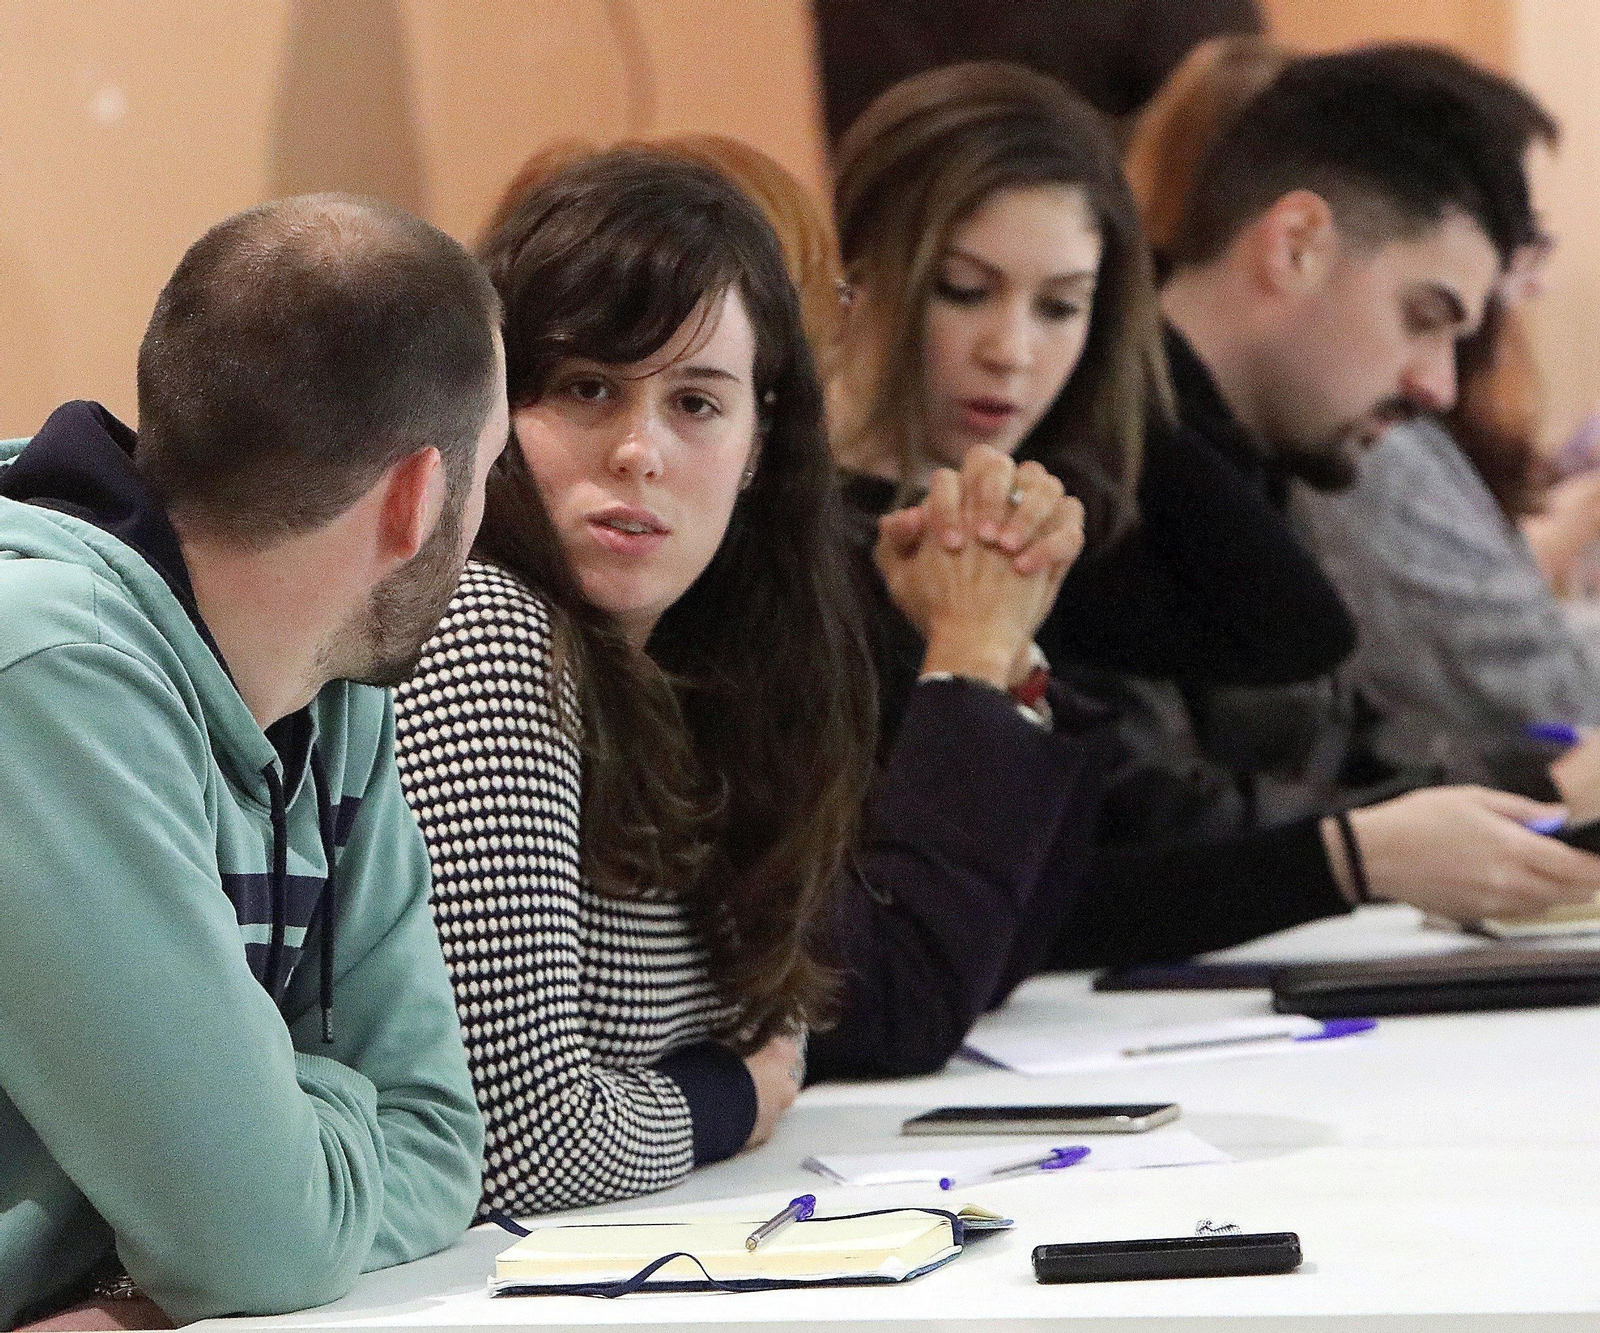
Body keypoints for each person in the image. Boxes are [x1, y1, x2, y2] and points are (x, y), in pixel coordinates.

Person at [0, 194, 501, 1327]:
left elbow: (436, 1140)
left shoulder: (334, 686)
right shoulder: (42, 671)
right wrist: (243, 1188)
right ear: (418, 497)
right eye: (493, 470)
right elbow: (259, 1245)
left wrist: (184, 1248)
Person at [392, 150, 878, 1213]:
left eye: (696, 403)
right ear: (491, 407)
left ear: (758, 446)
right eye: (588, 388)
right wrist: (726, 1100)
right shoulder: (487, 627)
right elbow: (509, 1139)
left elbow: (778, 1023)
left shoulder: (716, 657)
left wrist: (727, 1083)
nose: (639, 451)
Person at [1084, 44, 1600, 943]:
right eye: (1423, 318)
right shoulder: (1098, 466)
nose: (1437, 384)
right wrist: (1356, 856)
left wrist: (1536, 785)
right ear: (1295, 246)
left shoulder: (1255, 460)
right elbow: (1129, 833)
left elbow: (1342, 760)